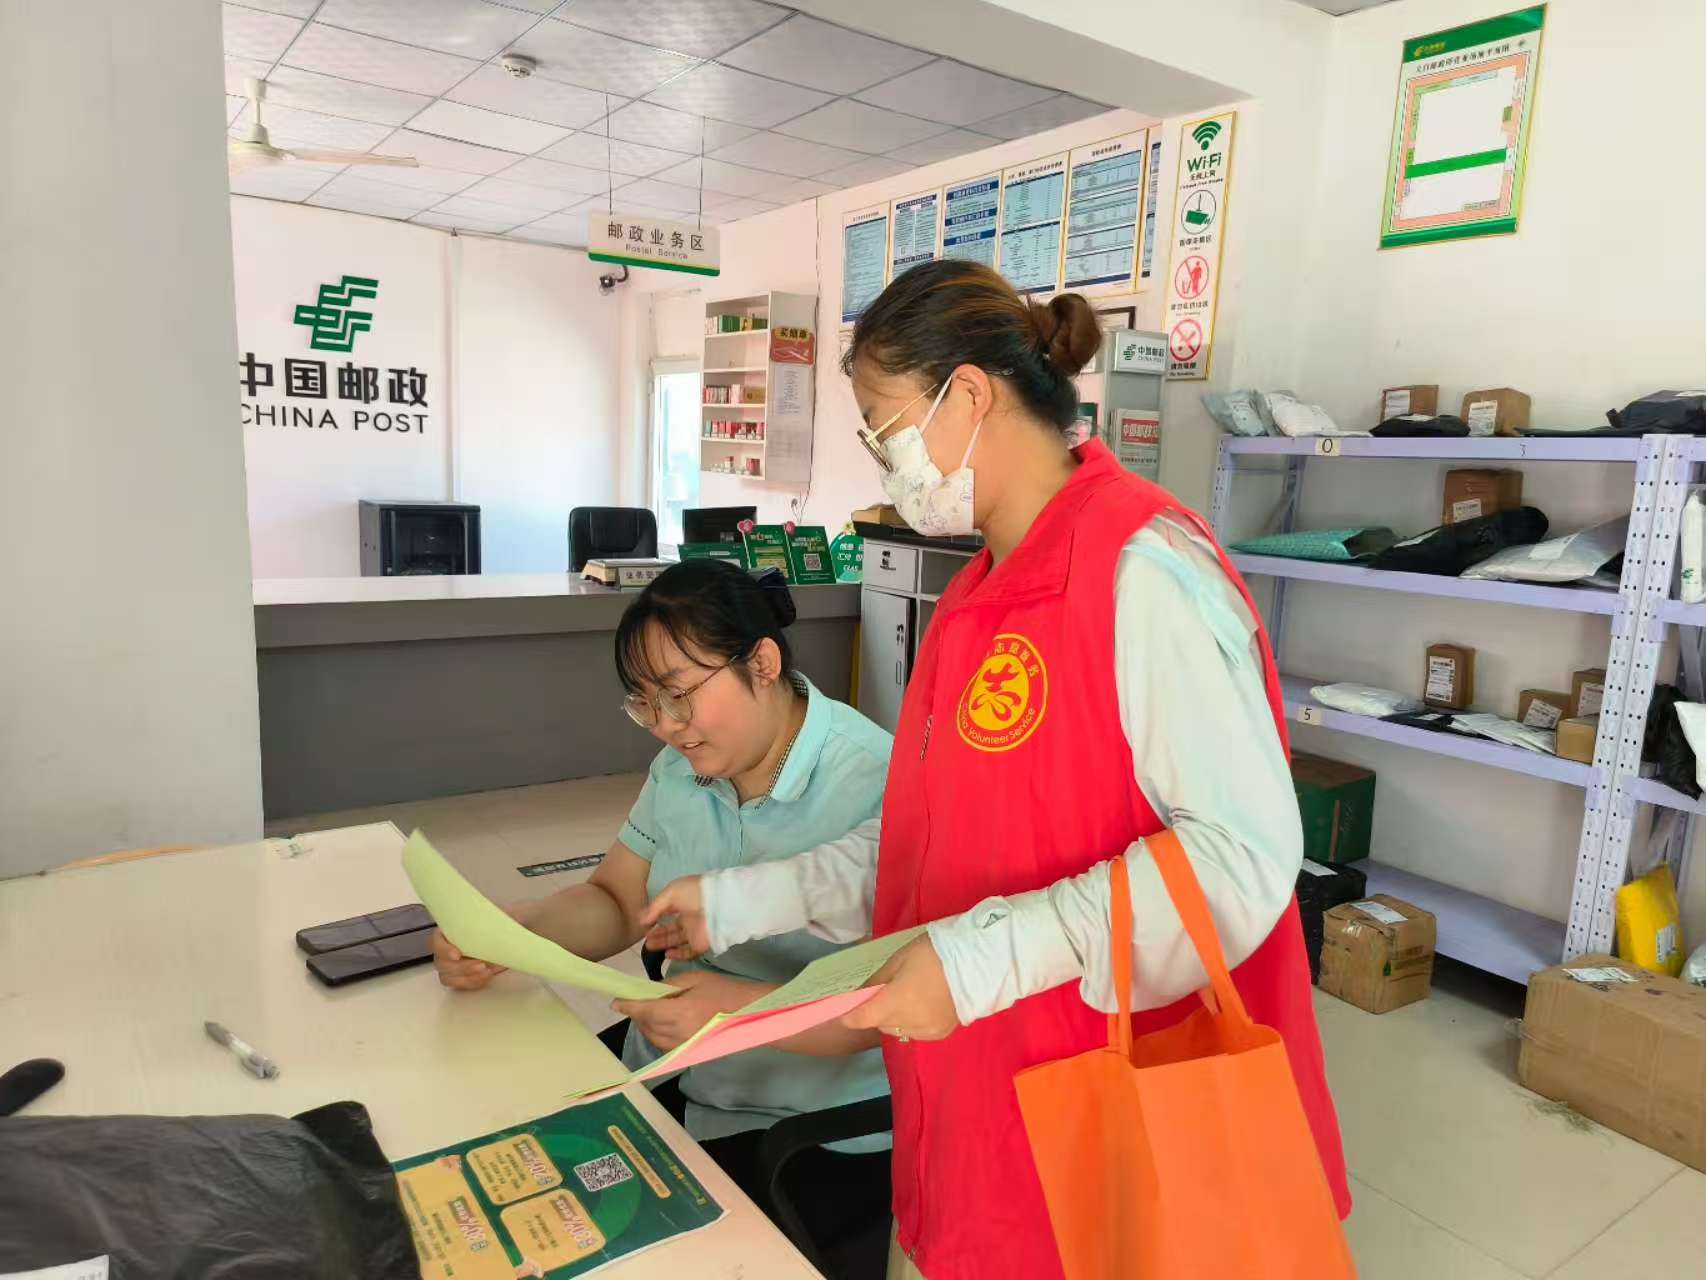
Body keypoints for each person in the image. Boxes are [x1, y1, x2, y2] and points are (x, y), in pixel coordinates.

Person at [642, 260, 1352, 1280]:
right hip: (977, 1103)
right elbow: (931, 852)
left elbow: (1239, 860)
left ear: (968, 395)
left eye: (883, 428)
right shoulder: (975, 595)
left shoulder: (1142, 570)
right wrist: (743, 899)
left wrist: (983, 961)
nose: (882, 464)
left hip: (1114, 1112)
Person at [430, 559, 894, 1248]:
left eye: (679, 695)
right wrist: (513, 932)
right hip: (671, 1067)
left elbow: (883, 1009)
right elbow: (617, 901)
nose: (666, 727)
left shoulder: (880, 782)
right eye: (645, 703)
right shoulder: (684, 766)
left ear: (762, 664)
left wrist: (732, 1013)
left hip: (805, 1123)